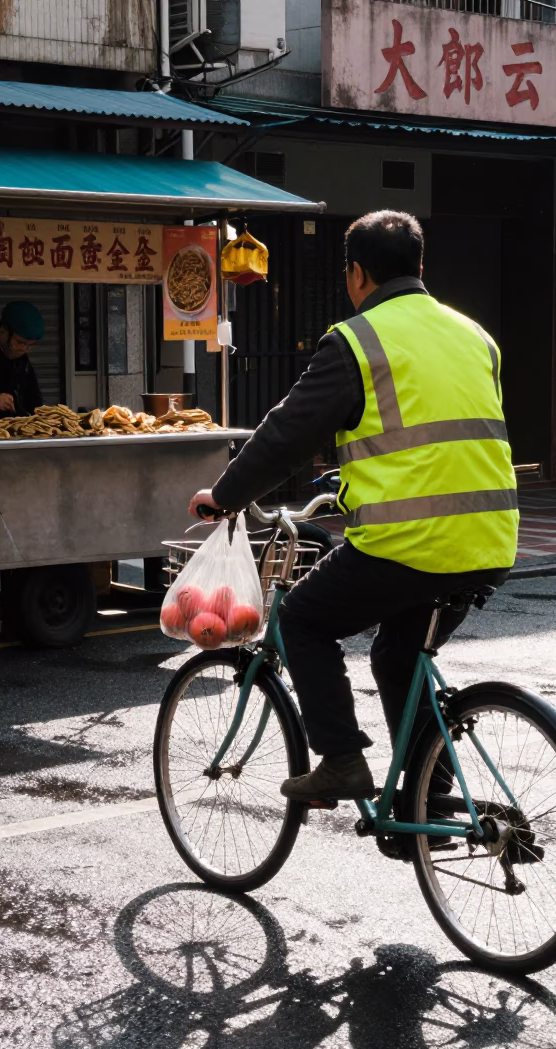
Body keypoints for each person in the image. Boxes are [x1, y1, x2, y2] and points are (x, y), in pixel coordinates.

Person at [189, 210, 519, 802]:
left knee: (300, 620)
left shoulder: (357, 342)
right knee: (398, 655)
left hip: (408, 543)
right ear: (420, 267)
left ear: (356, 274)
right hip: (490, 540)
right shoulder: (477, 336)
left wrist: (226, 495)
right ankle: (430, 794)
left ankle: (342, 761)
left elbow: (287, 435)